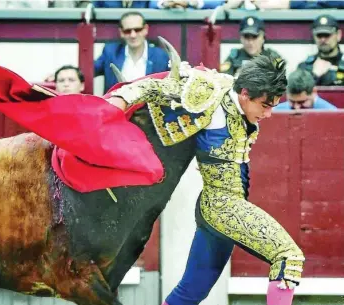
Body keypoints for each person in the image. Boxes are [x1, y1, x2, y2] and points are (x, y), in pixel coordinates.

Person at [107, 45, 304, 305]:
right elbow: (156, 87)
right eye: (265, 105)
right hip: (223, 207)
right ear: (244, 94)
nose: (268, 114)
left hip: (219, 209)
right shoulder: (209, 94)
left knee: (191, 293)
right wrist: (120, 99)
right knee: (288, 257)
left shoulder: (233, 87)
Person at [94, 11, 169, 93]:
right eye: (127, 31)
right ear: (121, 32)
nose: (133, 35)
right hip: (116, 104)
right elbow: (90, 72)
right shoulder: (111, 52)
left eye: (137, 30)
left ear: (145, 29)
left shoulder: (161, 56)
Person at [298, 14, 344, 86]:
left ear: (338, 35)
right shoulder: (305, 67)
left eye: (327, 35)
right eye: (319, 35)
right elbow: (297, 94)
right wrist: (314, 75)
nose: (323, 39)